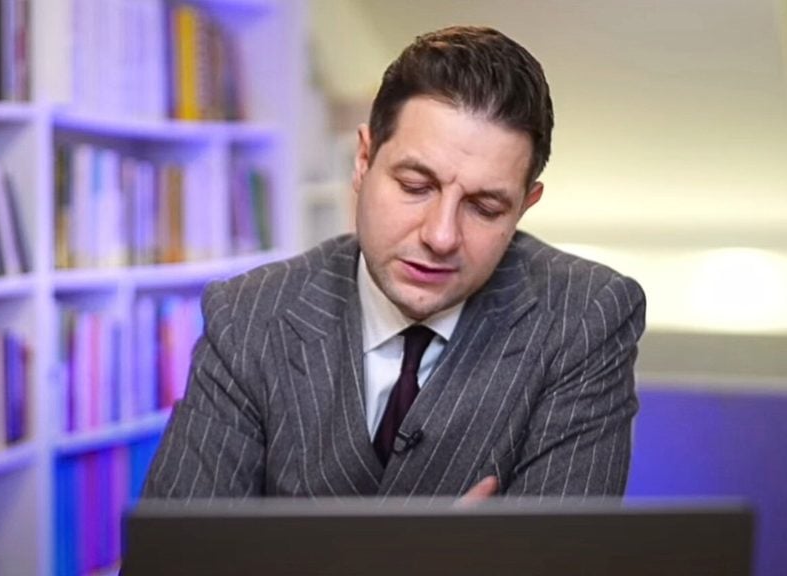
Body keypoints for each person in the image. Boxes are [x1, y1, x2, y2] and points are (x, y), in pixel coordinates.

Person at [142, 25, 645, 500]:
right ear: (363, 161)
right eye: (414, 186)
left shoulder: (586, 316)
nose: (441, 235)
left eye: (485, 208)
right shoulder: (248, 315)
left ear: (524, 207)